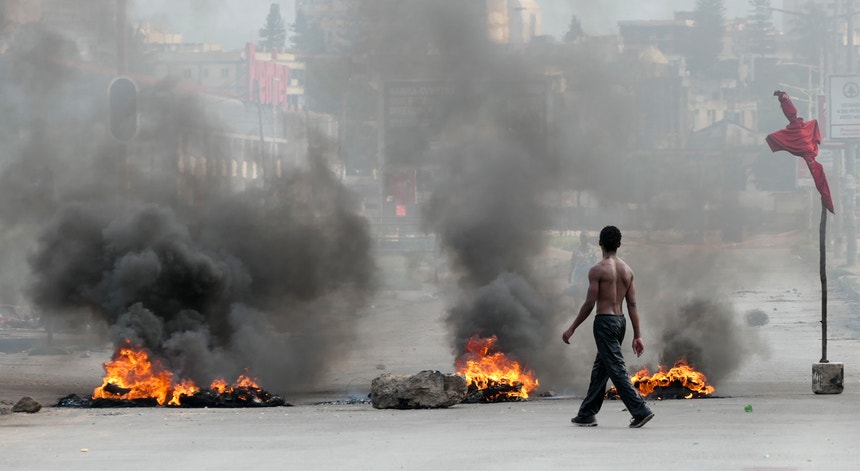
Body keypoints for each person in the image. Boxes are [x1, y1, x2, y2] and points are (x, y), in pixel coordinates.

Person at [562, 225, 654, 429]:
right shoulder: (627, 270)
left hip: (604, 322)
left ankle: (640, 410)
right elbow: (632, 304)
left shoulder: (597, 270)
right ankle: (586, 413)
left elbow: (589, 303)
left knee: (615, 368)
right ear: (619, 244)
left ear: (600, 243)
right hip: (620, 322)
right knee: (601, 368)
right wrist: (637, 335)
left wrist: (572, 328)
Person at [567, 231, 598, 305]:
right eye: (582, 238)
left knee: (591, 286)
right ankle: (576, 304)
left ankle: (589, 301)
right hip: (579, 269)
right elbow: (573, 262)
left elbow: (595, 262)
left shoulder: (592, 249)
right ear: (580, 239)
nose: (584, 239)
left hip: (588, 268)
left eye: (585, 238)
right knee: (575, 286)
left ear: (588, 239)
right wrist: (570, 274)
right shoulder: (576, 250)